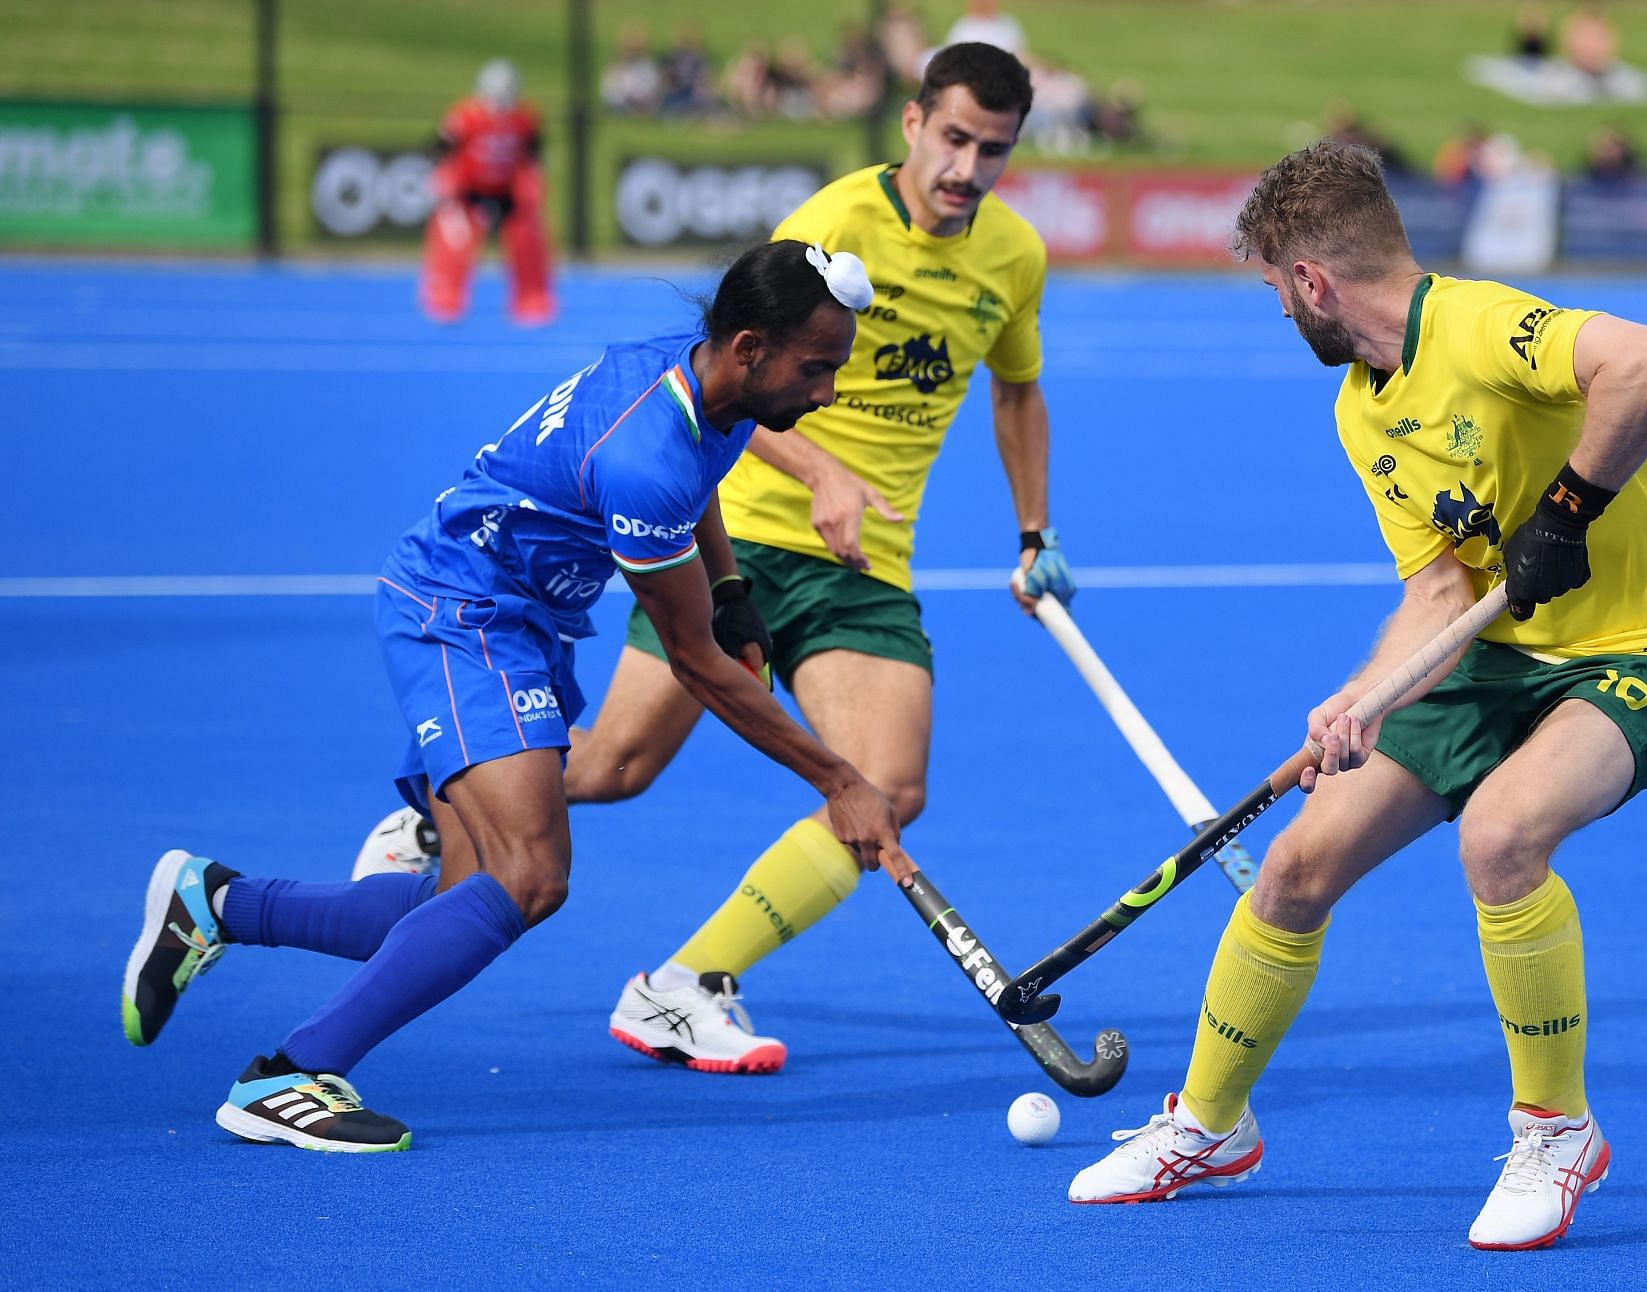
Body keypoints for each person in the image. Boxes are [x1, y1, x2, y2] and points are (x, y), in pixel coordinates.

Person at [1068, 140, 1647, 1253]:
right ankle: (1209, 1122)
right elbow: (1439, 586)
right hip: (1504, 653)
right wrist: (1364, 695)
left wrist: (1566, 510)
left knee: (1502, 833)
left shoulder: (1480, 328)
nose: (1282, 314)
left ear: (1312, 282)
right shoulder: (1361, 406)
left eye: (1278, 290)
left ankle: (1556, 1128)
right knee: (1293, 865)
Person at [354, 42, 1070, 1078]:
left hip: (866, 562)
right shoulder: (832, 223)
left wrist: (1035, 533)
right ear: (913, 123)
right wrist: (820, 471)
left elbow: (1016, 392)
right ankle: (437, 816)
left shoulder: (1014, 256)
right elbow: (733, 377)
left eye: (992, 149)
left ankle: (685, 984)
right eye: (953, 137)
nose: (967, 166)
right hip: (729, 535)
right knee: (613, 766)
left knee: (888, 786)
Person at [121, 240, 902, 1151]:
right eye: (816, 369)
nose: (826, 395)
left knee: (456, 901)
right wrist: (840, 779)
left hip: (516, 617)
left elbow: (703, 478)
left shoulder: (698, 378)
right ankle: (288, 1076)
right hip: (464, 613)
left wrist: (731, 592)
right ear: (748, 346)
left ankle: (216, 902)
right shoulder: (645, 452)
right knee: (529, 878)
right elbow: (693, 664)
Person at [420, 59, 555, 326]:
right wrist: (441, 178)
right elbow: (441, 146)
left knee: (528, 241)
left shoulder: (524, 118)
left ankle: (531, 300)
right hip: (469, 191)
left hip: (508, 191)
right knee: (454, 243)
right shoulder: (464, 116)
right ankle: (445, 298)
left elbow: (533, 153)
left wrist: (533, 184)